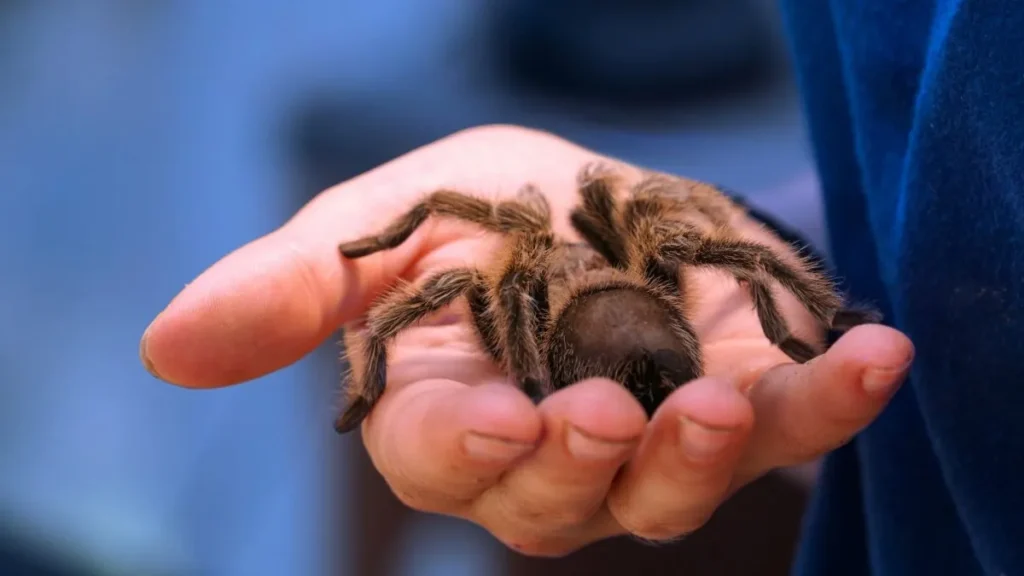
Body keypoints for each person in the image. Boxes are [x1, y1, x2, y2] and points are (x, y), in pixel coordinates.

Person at [139, 2, 1024, 573]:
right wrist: (794, 252)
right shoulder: (646, 254)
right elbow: (706, 222)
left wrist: (521, 374)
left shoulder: (508, 284)